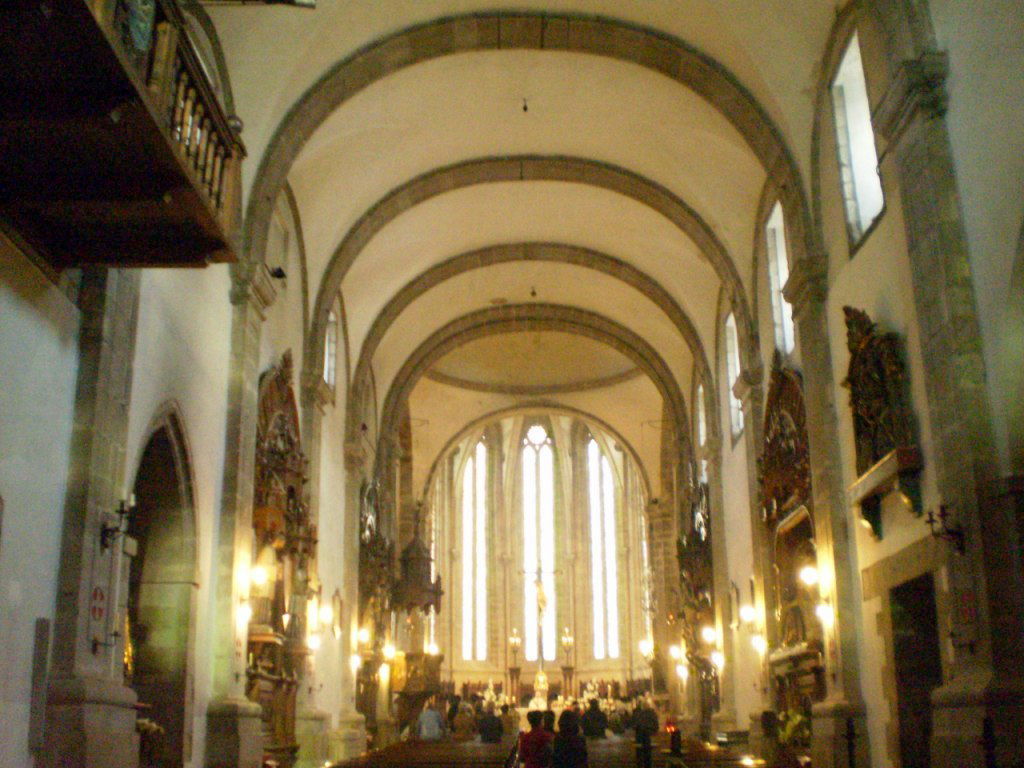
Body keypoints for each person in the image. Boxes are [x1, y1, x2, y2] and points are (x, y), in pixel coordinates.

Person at [632, 699, 659, 768]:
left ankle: (640, 765)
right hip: (648, 735)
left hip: (640, 736)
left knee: (639, 753)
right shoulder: (652, 714)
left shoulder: (639, 714)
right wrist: (654, 731)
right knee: (647, 754)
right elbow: (656, 724)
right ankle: (648, 765)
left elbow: (635, 725)